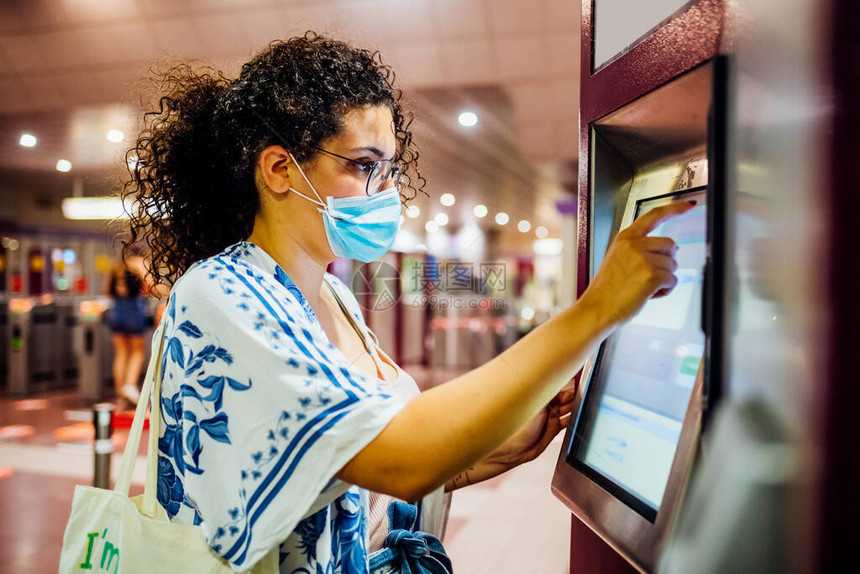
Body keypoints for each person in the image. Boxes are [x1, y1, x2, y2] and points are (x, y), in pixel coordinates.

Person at [124, 32, 691, 573]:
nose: (385, 191)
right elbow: (398, 455)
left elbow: (355, 474)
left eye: (390, 169)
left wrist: (482, 454)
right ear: (278, 170)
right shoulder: (223, 295)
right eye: (364, 165)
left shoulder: (333, 295)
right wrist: (598, 309)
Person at [106, 253, 148, 409]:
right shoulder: (138, 265)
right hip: (134, 312)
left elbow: (107, 291)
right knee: (137, 352)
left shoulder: (116, 267)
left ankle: (120, 394)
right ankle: (129, 387)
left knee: (121, 353)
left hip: (117, 312)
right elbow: (150, 285)